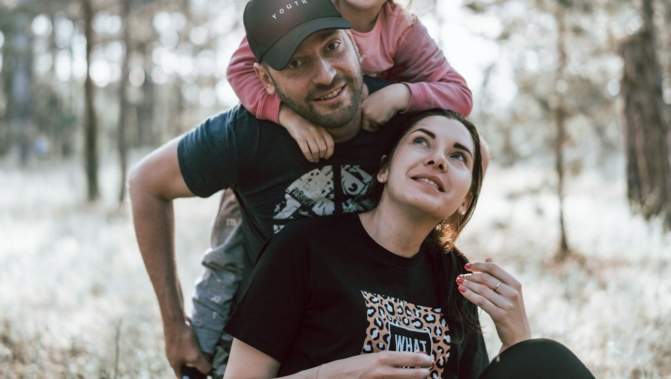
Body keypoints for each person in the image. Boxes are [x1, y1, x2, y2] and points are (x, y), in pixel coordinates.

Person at [130, 0, 416, 378]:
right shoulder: (247, 134)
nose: (326, 75)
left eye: (332, 46)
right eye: (296, 63)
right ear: (266, 81)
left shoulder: (407, 123)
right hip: (269, 348)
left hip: (375, 345)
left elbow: (470, 158)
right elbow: (146, 182)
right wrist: (174, 326)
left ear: (354, 43)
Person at [223, 110, 596, 379]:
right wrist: (336, 375)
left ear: (464, 200)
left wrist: (518, 346)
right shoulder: (303, 248)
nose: (437, 159)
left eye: (458, 157)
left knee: (548, 360)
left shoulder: (457, 278)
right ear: (383, 169)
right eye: (422, 141)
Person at [227, 0, 472, 162]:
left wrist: (401, 94)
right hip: (299, 124)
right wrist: (288, 117)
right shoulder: (301, 3)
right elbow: (241, 69)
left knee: (477, 147)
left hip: (365, 138)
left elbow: (460, 94)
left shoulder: (402, 30)